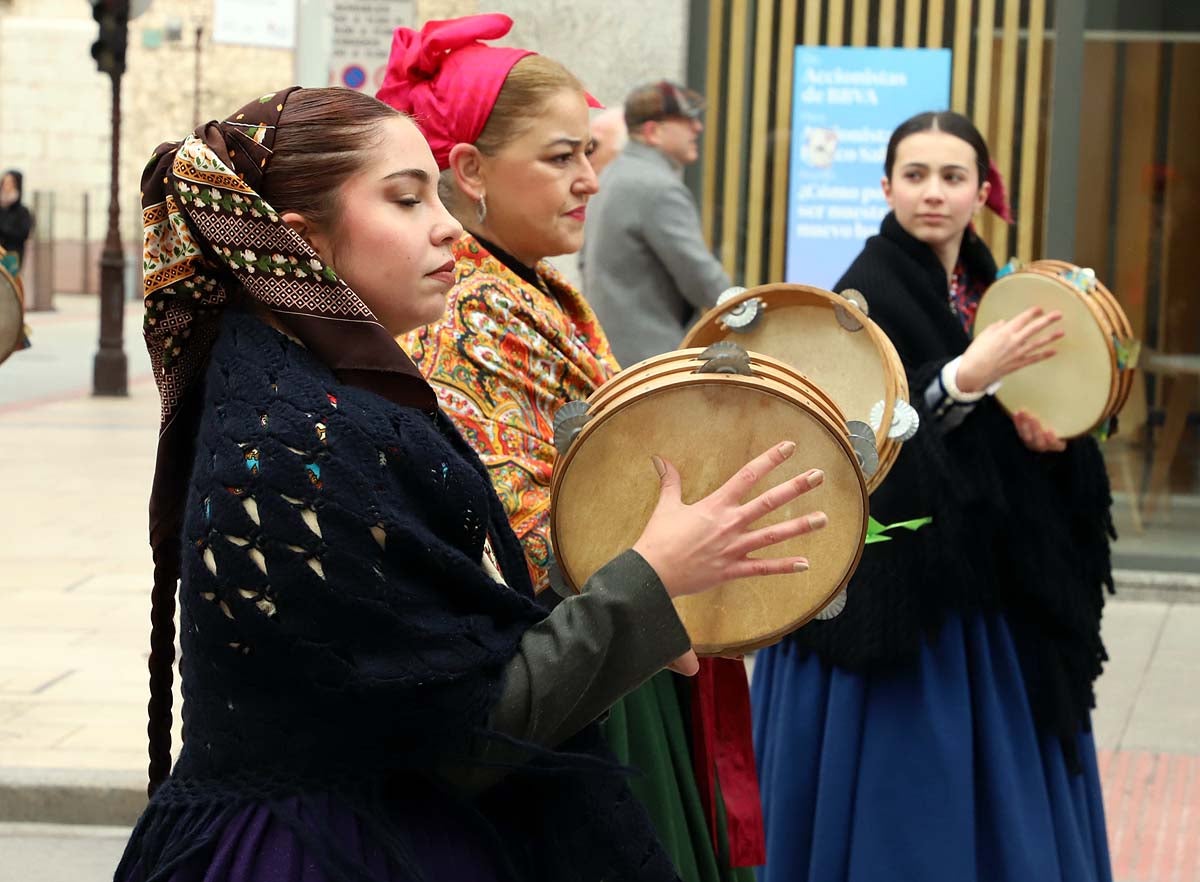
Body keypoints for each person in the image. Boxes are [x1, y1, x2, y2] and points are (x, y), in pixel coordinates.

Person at [114, 85, 827, 882]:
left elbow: (436, 653)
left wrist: (628, 605)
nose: (447, 226)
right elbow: (462, 731)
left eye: (437, 197)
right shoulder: (301, 440)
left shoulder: (311, 399)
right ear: (298, 245)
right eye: (407, 199)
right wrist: (647, 584)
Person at [380, 16, 765, 882]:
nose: (591, 179)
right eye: (562, 158)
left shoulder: (537, 288)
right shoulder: (470, 311)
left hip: (623, 638)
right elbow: (521, 544)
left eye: (589, 153)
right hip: (580, 669)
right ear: (471, 170)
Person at [750, 110, 1115, 882]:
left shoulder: (994, 288)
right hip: (902, 592)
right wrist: (963, 379)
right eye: (915, 176)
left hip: (992, 588)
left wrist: (1047, 440)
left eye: (953, 178)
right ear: (886, 187)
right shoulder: (862, 293)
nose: (933, 194)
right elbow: (861, 434)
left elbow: (1017, 418)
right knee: (912, 808)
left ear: (983, 191)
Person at [581, 80, 731, 368]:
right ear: (653, 132)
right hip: (652, 362)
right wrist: (755, 310)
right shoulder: (658, 187)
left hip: (611, 354)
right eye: (686, 120)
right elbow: (703, 281)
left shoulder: (612, 175)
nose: (697, 128)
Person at [0, 170, 34, 271]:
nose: (6, 187)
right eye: (4, 183)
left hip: (11, 256)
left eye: (10, 183)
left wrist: (4, 230)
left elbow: (23, 233)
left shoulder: (22, 212)